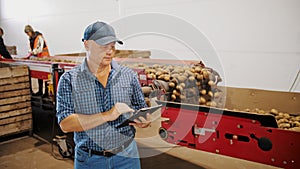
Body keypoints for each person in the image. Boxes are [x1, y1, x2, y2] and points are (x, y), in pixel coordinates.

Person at [56, 21, 151, 169]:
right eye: (103, 46)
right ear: (86, 44)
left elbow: (141, 109)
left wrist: (144, 121)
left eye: (112, 46)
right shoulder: (69, 80)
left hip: (127, 157)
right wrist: (108, 115)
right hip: (90, 160)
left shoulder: (128, 75)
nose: (109, 51)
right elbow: (65, 124)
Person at [24, 25, 50, 96]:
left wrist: (32, 53)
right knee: (39, 75)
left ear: (30, 31)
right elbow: (31, 48)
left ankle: (46, 92)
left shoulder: (39, 37)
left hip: (44, 57)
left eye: (27, 33)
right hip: (38, 58)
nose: (27, 34)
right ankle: (40, 91)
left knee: (46, 76)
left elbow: (39, 48)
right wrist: (30, 52)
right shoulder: (31, 38)